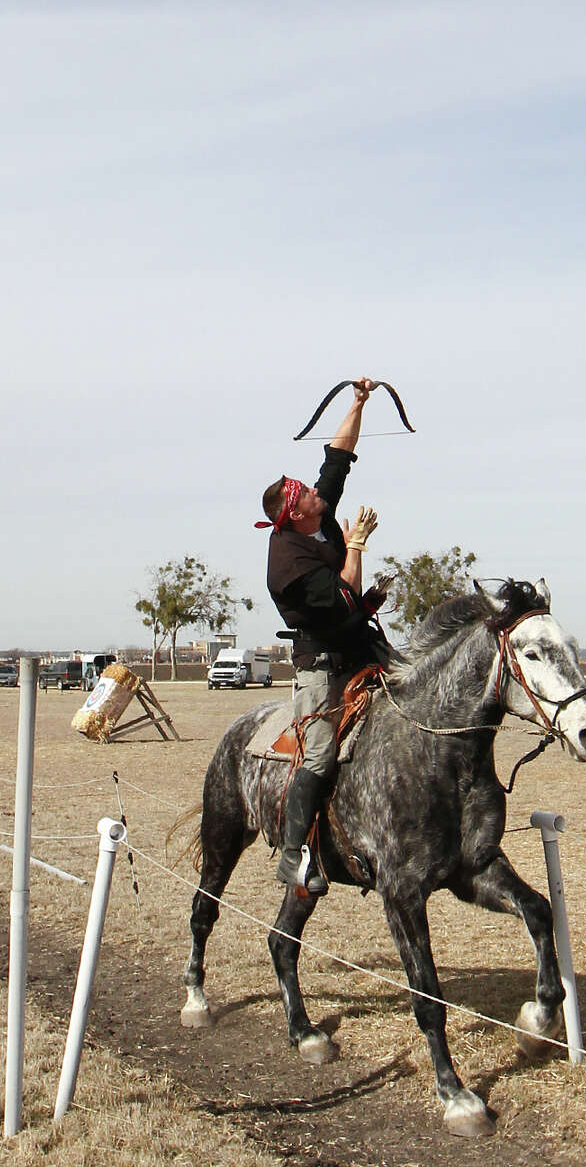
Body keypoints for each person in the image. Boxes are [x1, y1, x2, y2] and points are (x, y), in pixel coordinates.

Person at [259, 378, 393, 894]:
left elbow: (337, 456)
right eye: (309, 494)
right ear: (294, 513)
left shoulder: (315, 519)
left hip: (361, 643)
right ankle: (293, 855)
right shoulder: (288, 564)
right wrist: (355, 546)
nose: (319, 492)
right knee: (318, 755)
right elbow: (342, 597)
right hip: (321, 662)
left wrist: (358, 401)